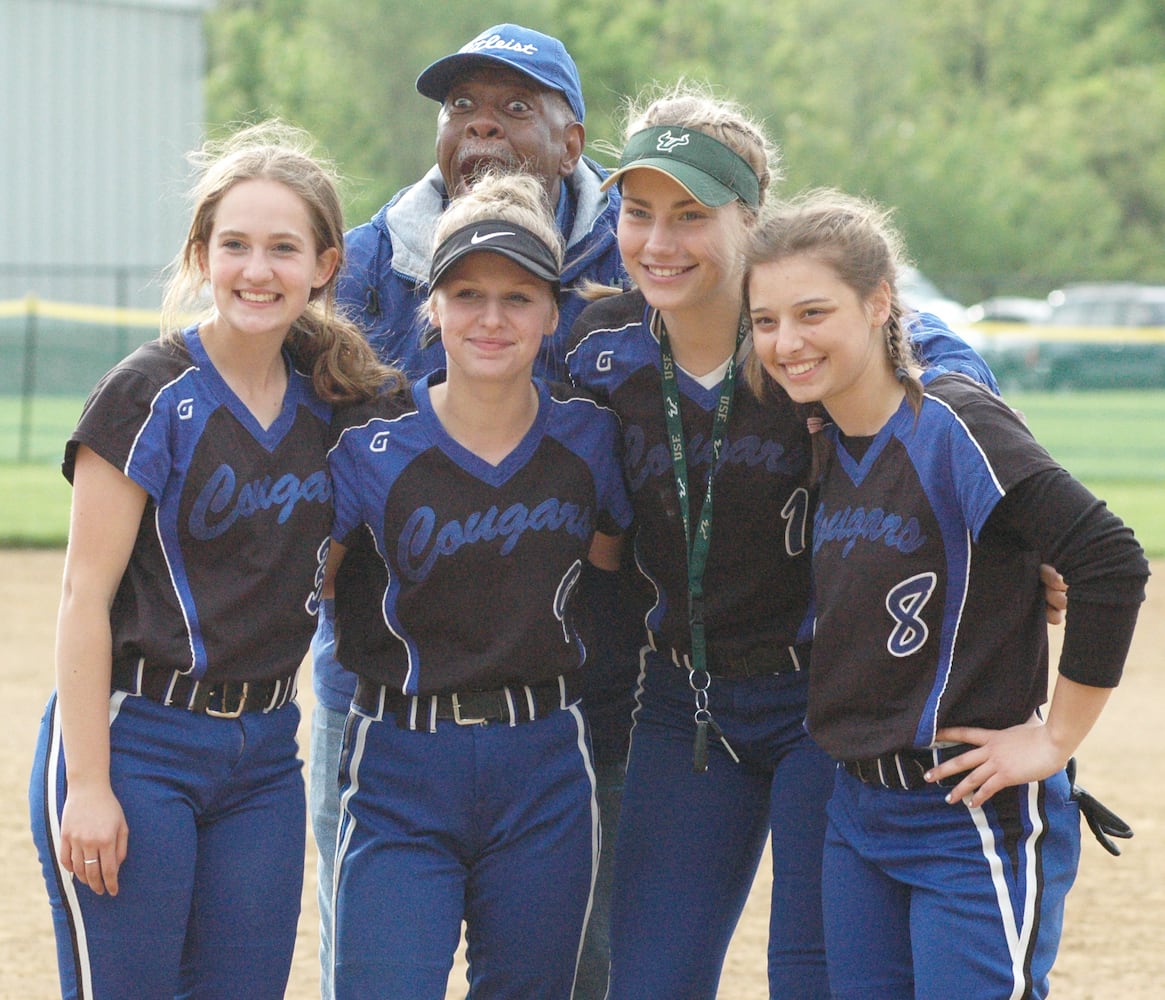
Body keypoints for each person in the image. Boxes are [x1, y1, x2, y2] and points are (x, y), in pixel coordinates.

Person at [565, 82, 1007, 999]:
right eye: (636, 212)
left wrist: (1017, 539)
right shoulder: (598, 350)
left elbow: (938, 365)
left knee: (811, 974)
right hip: (683, 703)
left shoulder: (797, 339)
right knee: (646, 977)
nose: (656, 241)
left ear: (750, 221)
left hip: (823, 701)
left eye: (690, 215)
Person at [742, 187, 1148, 999]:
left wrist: (1052, 741)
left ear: (877, 303)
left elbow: (1107, 559)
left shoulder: (953, 421)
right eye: (764, 321)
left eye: (812, 313)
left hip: (966, 817)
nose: (786, 342)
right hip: (856, 812)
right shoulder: (822, 434)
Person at [27, 120, 397, 998]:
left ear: (325, 266)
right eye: (234, 245)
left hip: (264, 751)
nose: (256, 270)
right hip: (137, 741)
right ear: (201, 254)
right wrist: (88, 783)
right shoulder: (147, 393)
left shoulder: (334, 402)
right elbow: (83, 599)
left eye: (282, 248)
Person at [311, 24, 632, 999]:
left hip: (560, 711)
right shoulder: (373, 257)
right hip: (385, 711)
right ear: (435, 304)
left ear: (571, 142)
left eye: (514, 108)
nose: (480, 128)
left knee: (567, 974)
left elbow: (823, 299)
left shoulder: (641, 238)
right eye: (461, 108)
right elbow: (255, 374)